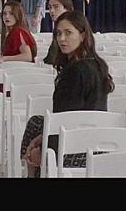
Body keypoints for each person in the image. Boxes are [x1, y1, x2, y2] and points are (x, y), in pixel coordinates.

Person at [21, 10, 114, 176]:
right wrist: (42, 138)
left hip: (76, 148)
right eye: (58, 33)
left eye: (68, 33)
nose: (61, 39)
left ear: (83, 35)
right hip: (99, 143)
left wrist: (42, 151)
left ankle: (32, 172)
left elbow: (66, 122)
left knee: (34, 137)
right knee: (36, 123)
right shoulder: (97, 65)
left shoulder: (74, 72)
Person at [41, 0, 76, 66]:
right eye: (50, 7)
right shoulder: (57, 29)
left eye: (56, 7)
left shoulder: (75, 28)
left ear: (67, 8)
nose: (51, 11)